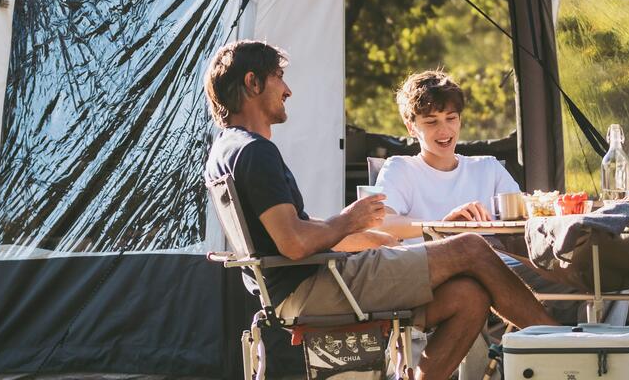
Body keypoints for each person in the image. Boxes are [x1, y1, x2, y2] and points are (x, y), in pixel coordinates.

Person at [203, 40, 557, 380]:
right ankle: (563, 344)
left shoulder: (226, 150)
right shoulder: (255, 151)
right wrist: (349, 219)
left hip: (301, 284)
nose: (287, 89)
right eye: (279, 77)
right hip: (315, 285)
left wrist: (365, 237)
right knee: (471, 247)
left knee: (469, 296)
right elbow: (294, 243)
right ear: (253, 83)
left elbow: (293, 230)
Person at [375, 71, 522, 241]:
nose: (444, 130)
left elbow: (523, 218)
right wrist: (444, 226)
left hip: (494, 258)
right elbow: (381, 224)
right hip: (431, 263)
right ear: (411, 127)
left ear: (460, 120)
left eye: (451, 118)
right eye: (431, 122)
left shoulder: (489, 168)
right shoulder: (401, 169)